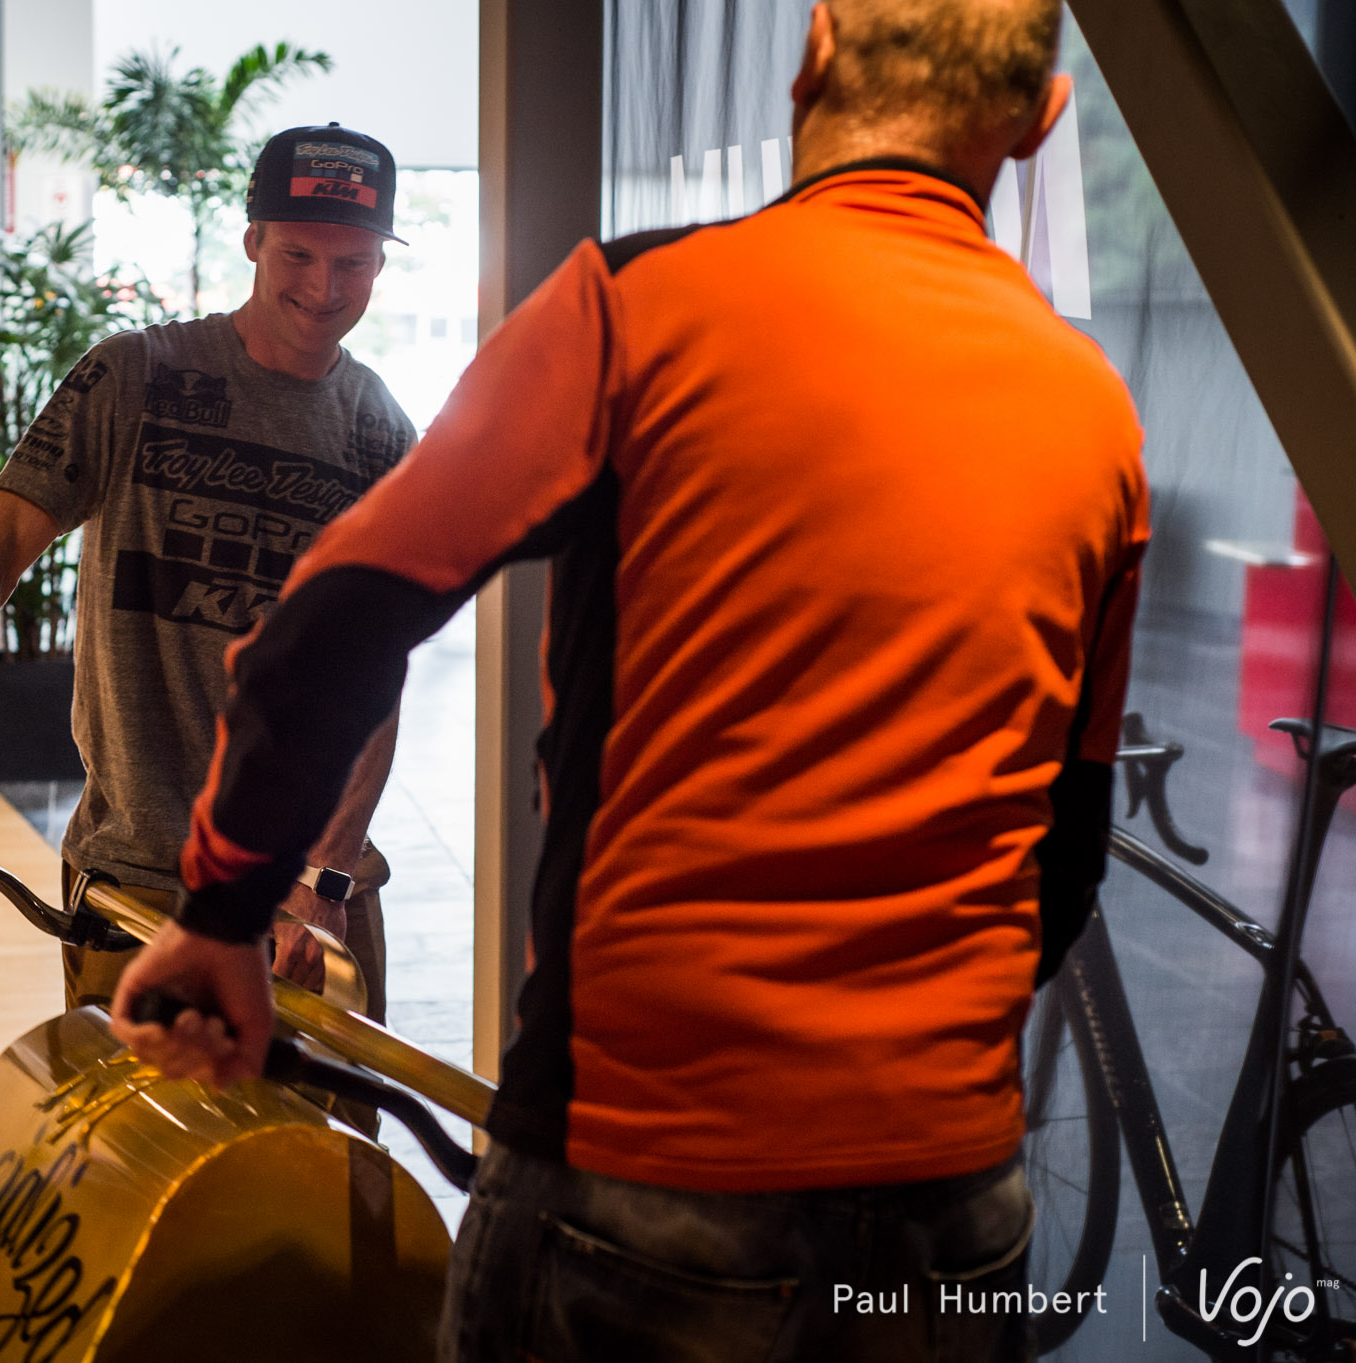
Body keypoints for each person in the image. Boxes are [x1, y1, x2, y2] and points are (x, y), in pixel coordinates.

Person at [112, 3, 1148, 1359]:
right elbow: (1067, 847)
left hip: (647, 1166)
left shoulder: (636, 308)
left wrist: (223, 911)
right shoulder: (1094, 410)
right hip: (955, 1201)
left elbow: (335, 625)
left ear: (813, 53)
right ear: (1041, 121)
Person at [0, 125, 417, 1034]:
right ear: (253, 240)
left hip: (308, 896)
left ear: (380, 264)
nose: (324, 288)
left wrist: (322, 877)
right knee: (138, 1125)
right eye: (298, 254)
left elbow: (375, 676)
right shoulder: (137, 377)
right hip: (141, 880)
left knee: (329, 1128)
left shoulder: (381, 435)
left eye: (353, 263)